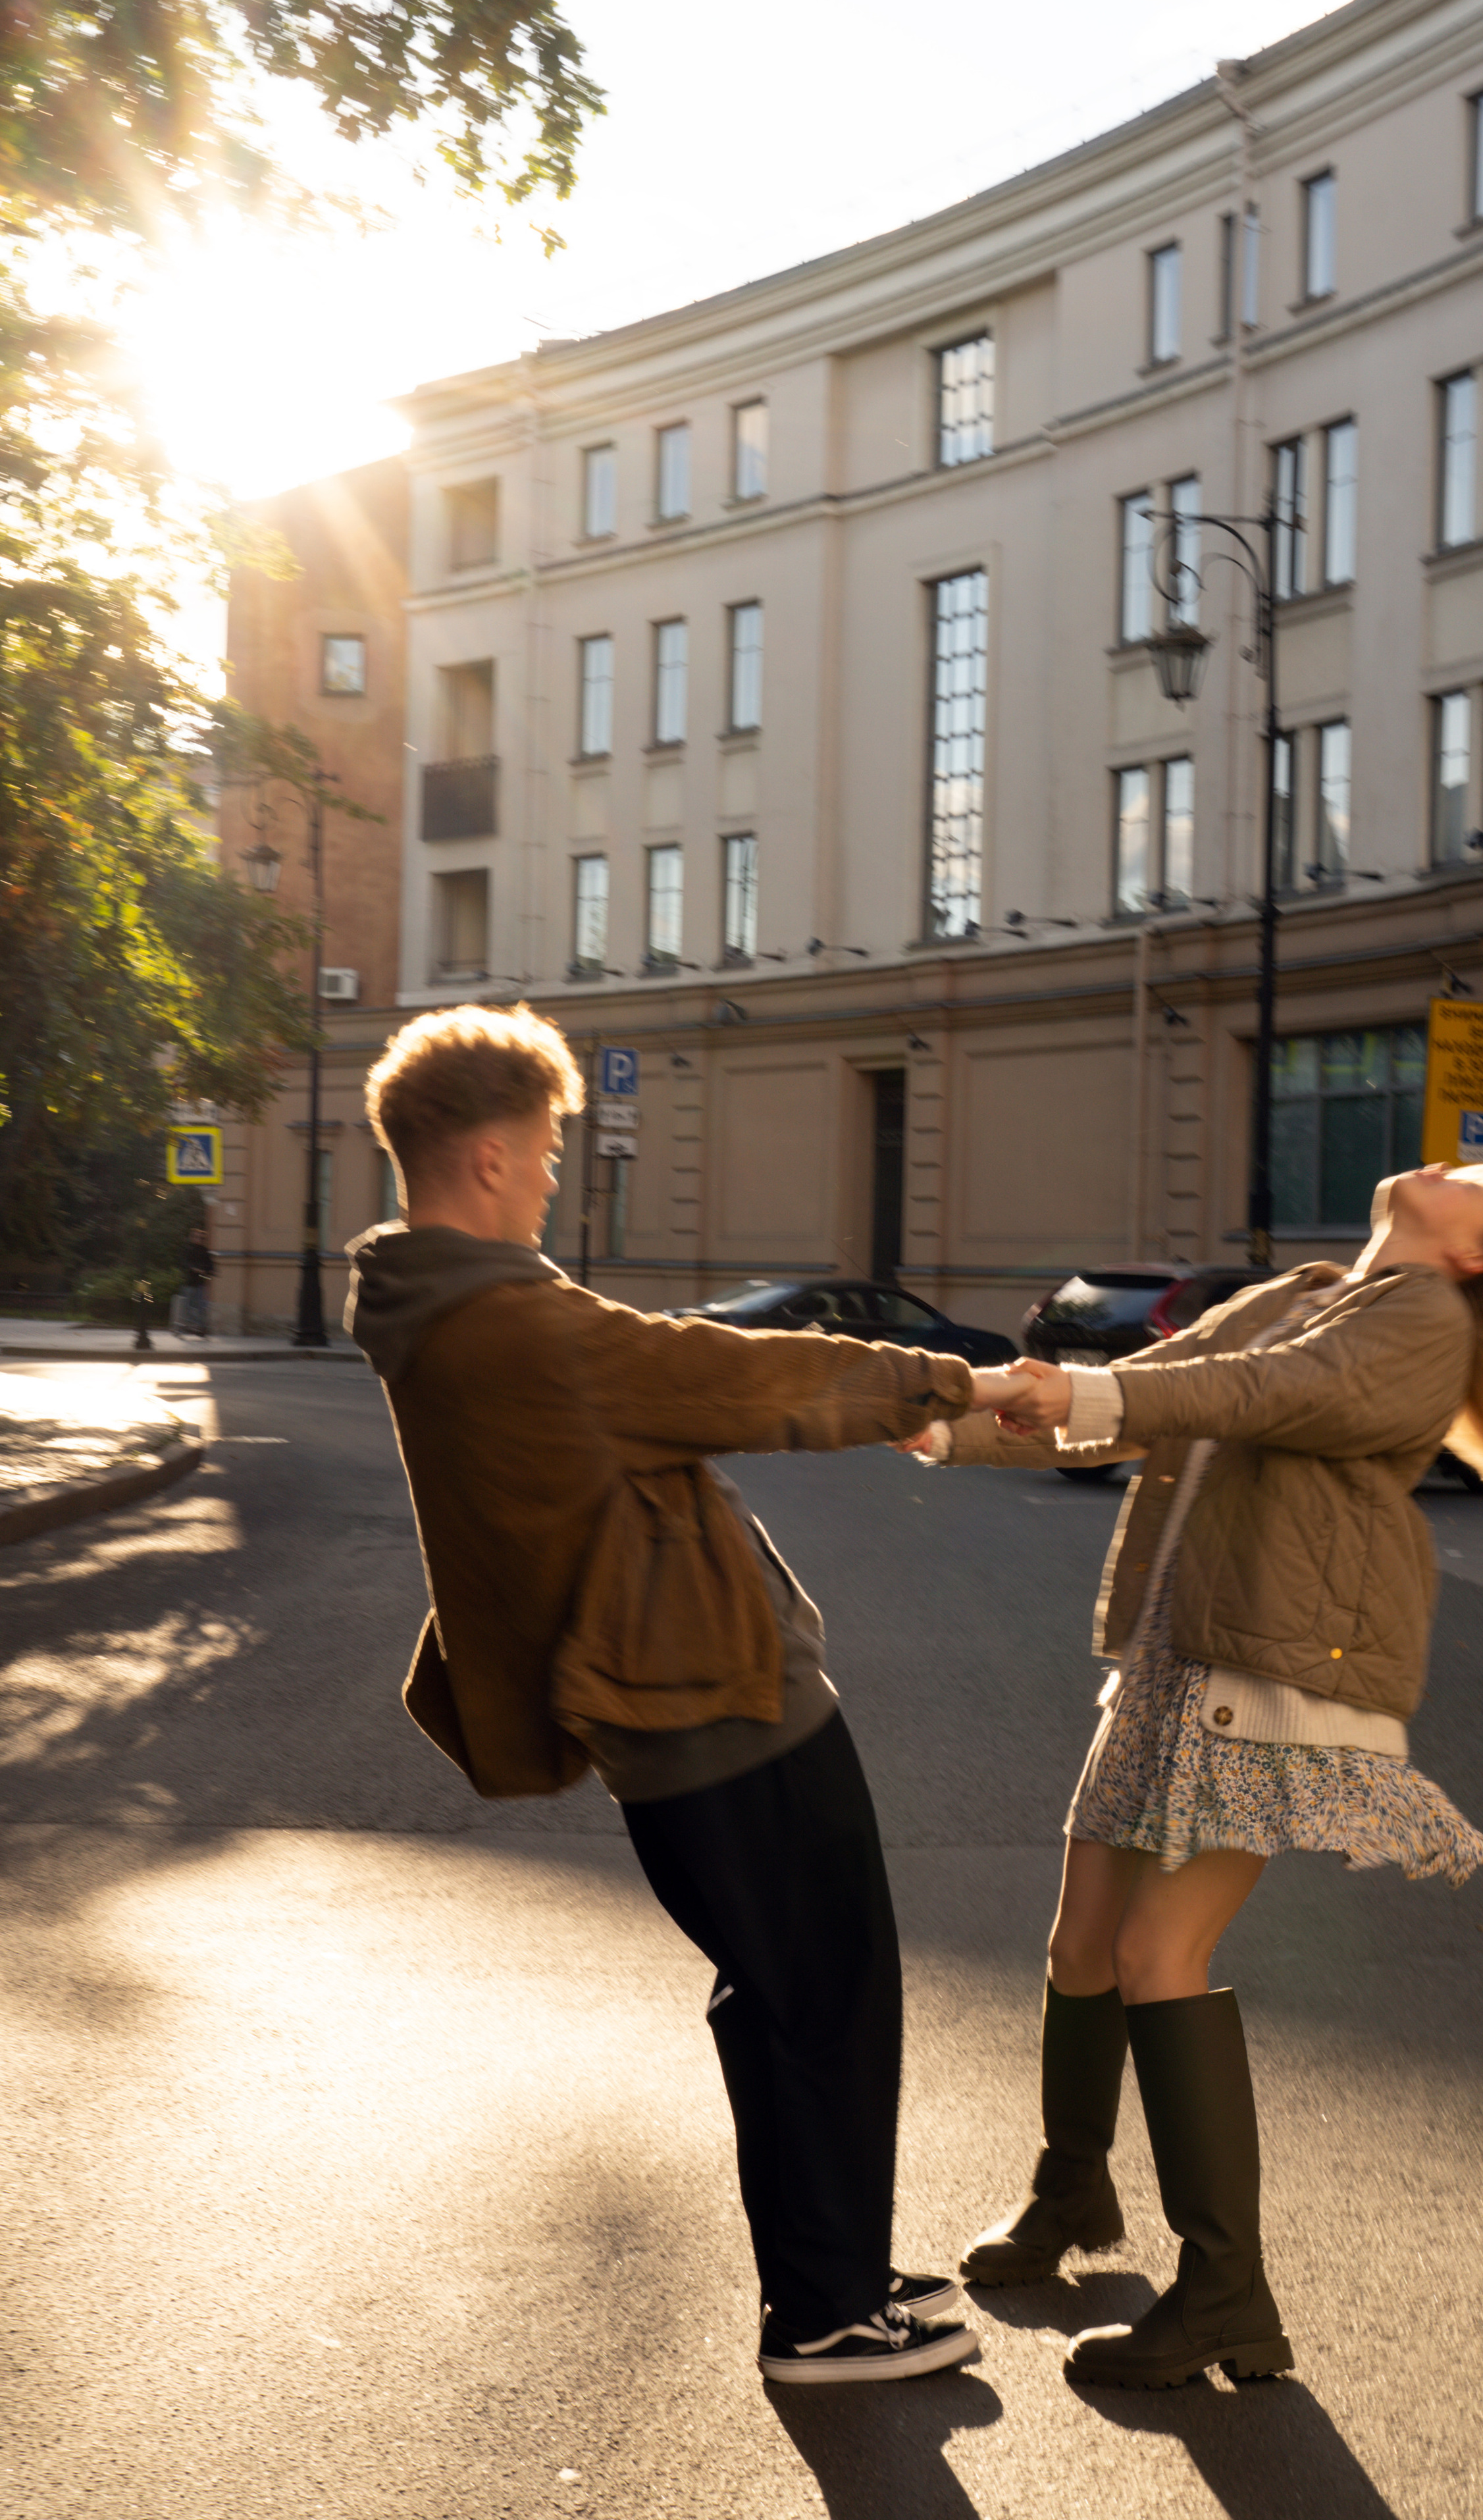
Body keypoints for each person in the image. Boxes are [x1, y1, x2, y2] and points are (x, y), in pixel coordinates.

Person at [911, 1163, 1483, 2390]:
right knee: (1081, 1944)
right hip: (1174, 1646)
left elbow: (1269, 1397)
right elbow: (1141, 1405)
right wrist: (947, 1428)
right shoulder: (1298, 1294)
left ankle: (1226, 2296)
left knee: (1164, 1955)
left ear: (1478, 1254)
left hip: (1276, 1669)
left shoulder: (1422, 1321)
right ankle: (1069, 2192)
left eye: (1473, 1184)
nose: (1439, 1164)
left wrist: (1073, 1384)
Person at [344, 1004, 1022, 2386]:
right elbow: (729, 1374)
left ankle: (828, 2274)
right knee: (826, 1996)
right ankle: (825, 2319)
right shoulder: (514, 1326)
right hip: (707, 1706)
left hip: (675, 1701)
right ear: (482, 1159)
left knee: (776, 1995)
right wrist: (950, 1379)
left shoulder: (442, 1316)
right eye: (539, 1153)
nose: (549, 1177)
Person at [181, 1225, 215, 1338]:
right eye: (198, 1237)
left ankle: (199, 1327)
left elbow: (210, 1264)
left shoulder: (204, 1251)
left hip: (201, 1283)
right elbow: (186, 1263)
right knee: (189, 1306)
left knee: (201, 1307)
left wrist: (211, 1271)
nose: (200, 1240)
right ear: (192, 1238)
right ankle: (195, 1325)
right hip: (190, 1282)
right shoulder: (188, 1249)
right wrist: (195, 1269)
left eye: (202, 1238)